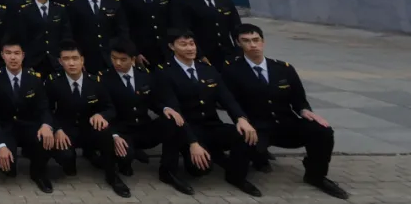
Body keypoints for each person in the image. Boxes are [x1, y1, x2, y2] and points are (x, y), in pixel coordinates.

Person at [225, 24, 348, 199]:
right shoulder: (231, 71)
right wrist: (240, 118)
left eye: (256, 40)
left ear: (263, 41)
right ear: (238, 44)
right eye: (246, 41)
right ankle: (236, 177)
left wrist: (305, 111)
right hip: (257, 127)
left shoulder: (284, 69)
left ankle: (316, 175)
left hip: (286, 124)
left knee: (323, 131)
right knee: (243, 141)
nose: (252, 45)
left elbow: (299, 99)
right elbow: (230, 102)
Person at [155, 30, 262, 196]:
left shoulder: (207, 69)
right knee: (200, 170)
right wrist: (193, 143)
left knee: (246, 135)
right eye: (183, 44)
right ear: (172, 46)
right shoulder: (165, 72)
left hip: (211, 126)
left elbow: (227, 99)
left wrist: (241, 118)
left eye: (192, 44)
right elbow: (175, 110)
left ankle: (236, 176)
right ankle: (169, 172)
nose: (190, 48)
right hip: (186, 130)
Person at [105, 39, 194, 195]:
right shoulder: (104, 80)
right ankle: (114, 176)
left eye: (123, 59)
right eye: (114, 58)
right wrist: (114, 135)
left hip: (143, 127)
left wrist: (166, 109)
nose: (117, 63)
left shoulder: (145, 76)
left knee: (173, 122)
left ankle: (168, 171)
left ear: (133, 59)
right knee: (123, 153)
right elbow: (104, 111)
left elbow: (154, 101)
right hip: (122, 131)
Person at [46, 42, 130, 198]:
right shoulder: (53, 82)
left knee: (105, 132)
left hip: (89, 128)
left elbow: (110, 108)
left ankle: (112, 176)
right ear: (60, 62)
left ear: (82, 60)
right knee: (66, 158)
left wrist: (102, 115)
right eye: (66, 59)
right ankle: (69, 163)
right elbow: (46, 110)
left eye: (75, 58)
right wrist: (56, 129)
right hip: (66, 130)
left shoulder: (96, 82)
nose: (71, 63)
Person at [0, 38, 55, 193]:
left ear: (23, 55)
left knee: (46, 138)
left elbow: (44, 108)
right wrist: (0, 145)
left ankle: (38, 173)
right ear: (2, 55)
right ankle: (6, 153)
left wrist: (46, 125)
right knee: (8, 170)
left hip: (29, 126)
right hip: (6, 129)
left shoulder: (34, 78)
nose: (13, 57)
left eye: (16, 53)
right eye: (8, 53)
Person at [172, 0, 241, 69]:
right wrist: (199, 55)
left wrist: (239, 50)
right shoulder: (185, 3)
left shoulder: (224, 1)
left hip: (228, 52)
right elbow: (186, 31)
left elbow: (236, 28)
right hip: (203, 53)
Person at [67, 0, 129, 75]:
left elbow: (122, 30)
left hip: (112, 56)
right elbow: (71, 33)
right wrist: (77, 57)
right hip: (87, 57)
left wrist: (122, 53)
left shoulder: (113, 3)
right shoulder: (75, 4)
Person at [118, 0, 177, 66]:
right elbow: (124, 27)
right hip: (142, 50)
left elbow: (174, 20)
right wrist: (134, 52)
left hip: (167, 48)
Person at [16, 0, 72, 77]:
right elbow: (23, 38)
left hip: (57, 61)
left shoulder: (59, 9)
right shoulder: (25, 11)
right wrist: (27, 61)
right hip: (35, 62)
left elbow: (66, 35)